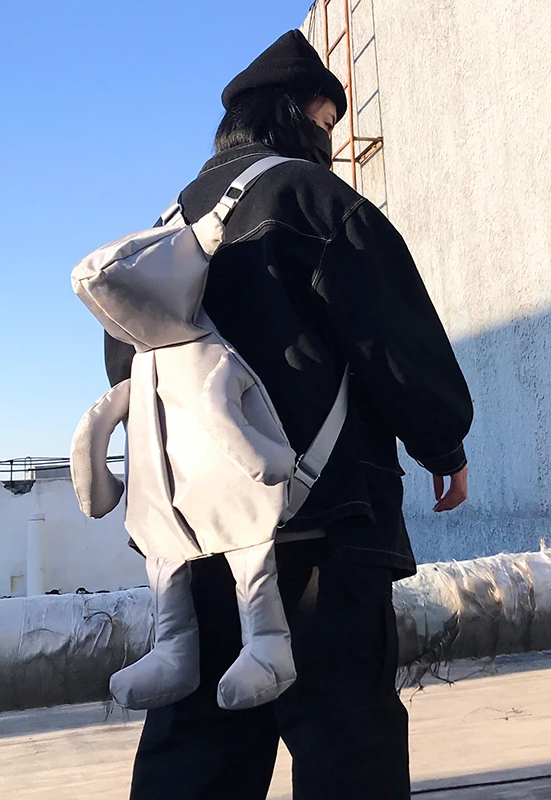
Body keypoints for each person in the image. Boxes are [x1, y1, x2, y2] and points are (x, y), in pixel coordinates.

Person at [105, 29, 473, 800]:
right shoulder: (312, 198)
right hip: (322, 535)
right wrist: (443, 444)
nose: (331, 140)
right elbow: (393, 338)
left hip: (200, 544)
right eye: (327, 122)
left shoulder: (167, 226)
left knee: (197, 748)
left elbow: (126, 371)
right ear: (297, 113)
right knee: (346, 745)